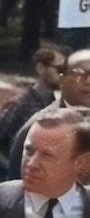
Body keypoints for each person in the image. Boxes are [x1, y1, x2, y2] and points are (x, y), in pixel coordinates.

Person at [5, 49, 90, 180]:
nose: (88, 81)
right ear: (61, 79)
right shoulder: (40, 124)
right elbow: (19, 181)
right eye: (79, 73)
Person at [0, 47, 63, 179]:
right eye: (59, 69)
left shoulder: (55, 104)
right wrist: (9, 165)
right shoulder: (21, 103)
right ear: (40, 68)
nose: (63, 75)